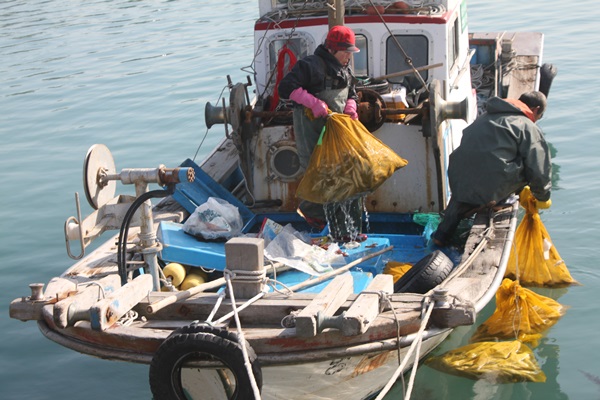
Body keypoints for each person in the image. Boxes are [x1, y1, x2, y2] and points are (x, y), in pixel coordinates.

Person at [278, 25, 365, 242]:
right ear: (333, 50)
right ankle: (324, 221)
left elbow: (352, 91)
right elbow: (285, 88)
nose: (348, 57)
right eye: (346, 52)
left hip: (337, 132)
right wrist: (313, 102)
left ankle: (352, 231)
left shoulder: (344, 68)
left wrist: (350, 107)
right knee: (324, 176)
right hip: (313, 132)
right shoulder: (311, 65)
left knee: (349, 174)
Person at [432, 91, 552, 246]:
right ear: (535, 110)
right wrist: (542, 196)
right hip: (489, 187)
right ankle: (498, 201)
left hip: (458, 181)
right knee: (526, 164)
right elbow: (538, 168)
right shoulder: (527, 126)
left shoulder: (484, 117)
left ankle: (439, 238)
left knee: (458, 205)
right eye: (539, 116)